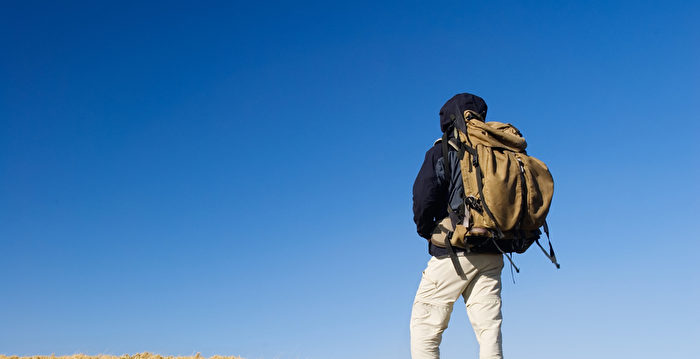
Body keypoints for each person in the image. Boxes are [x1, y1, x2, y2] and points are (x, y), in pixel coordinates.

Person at [411, 93, 504, 359]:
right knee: (489, 331)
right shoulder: (496, 149)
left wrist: (426, 230)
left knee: (425, 327)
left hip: (455, 249)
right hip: (493, 249)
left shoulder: (444, 149)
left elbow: (423, 196)